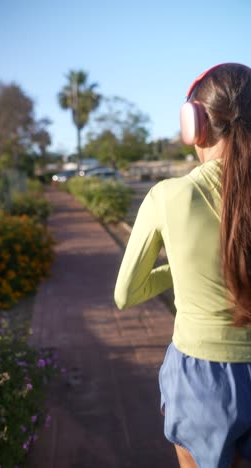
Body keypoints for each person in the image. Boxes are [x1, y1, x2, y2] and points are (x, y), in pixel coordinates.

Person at [114, 63, 251, 468]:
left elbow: (126, 294)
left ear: (195, 124)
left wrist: (179, 268)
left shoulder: (169, 195)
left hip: (201, 380)